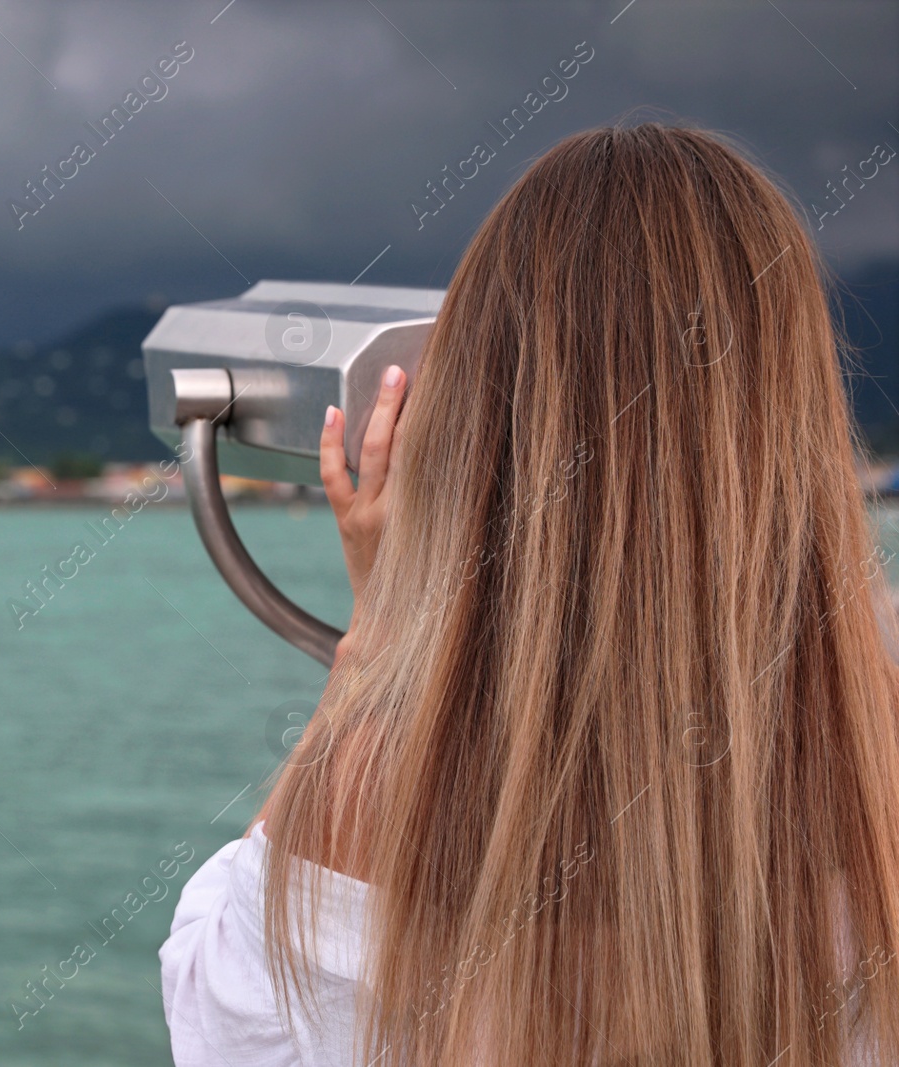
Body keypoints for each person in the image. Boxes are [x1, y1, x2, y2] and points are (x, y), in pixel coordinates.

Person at [160, 121, 899, 1066]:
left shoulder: (373, 801)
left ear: (476, 413)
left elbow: (220, 1012)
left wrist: (381, 634)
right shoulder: (868, 780)